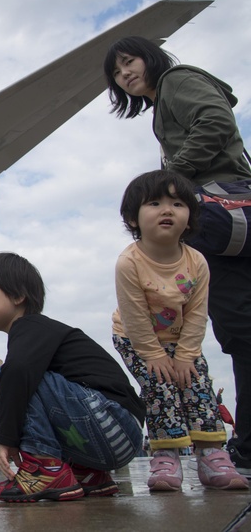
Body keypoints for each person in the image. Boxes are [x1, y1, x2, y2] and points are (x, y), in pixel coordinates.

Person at [104, 36, 251, 475]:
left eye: (128, 62)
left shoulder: (176, 80)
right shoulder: (165, 99)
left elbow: (216, 120)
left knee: (239, 327)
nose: (124, 74)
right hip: (234, 214)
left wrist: (173, 180)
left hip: (222, 214)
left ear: (150, 58)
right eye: (116, 72)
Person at [0, 252, 145, 502]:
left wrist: (6, 439)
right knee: (20, 374)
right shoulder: (40, 335)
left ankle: (45, 469)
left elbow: (17, 374)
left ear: (18, 295)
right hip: (123, 436)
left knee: (7, 374)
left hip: (110, 421)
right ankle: (88, 474)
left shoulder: (30, 327)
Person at [113, 170, 247, 490]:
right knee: (160, 386)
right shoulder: (129, 262)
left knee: (197, 384)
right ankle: (166, 455)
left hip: (181, 338)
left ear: (191, 217)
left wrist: (186, 355)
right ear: (132, 218)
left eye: (177, 203)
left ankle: (212, 454)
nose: (167, 210)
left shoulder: (197, 261)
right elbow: (134, 314)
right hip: (136, 338)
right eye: (154, 203)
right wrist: (153, 355)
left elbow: (198, 313)